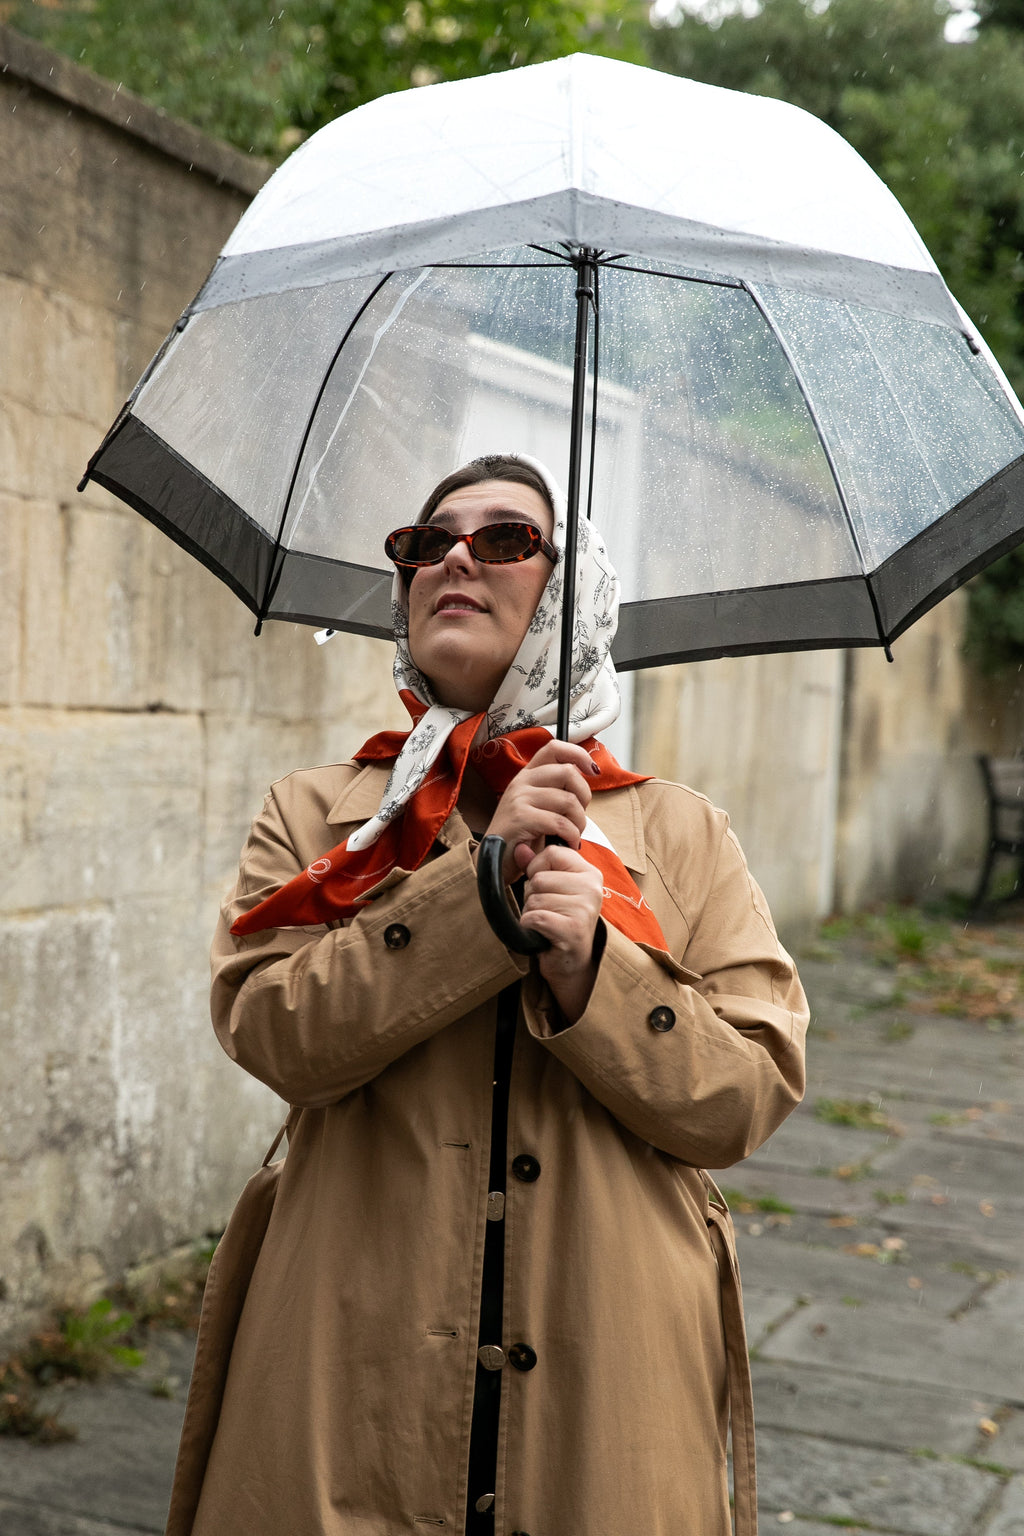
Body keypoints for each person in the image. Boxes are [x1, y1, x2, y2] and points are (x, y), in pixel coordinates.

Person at [167, 453, 808, 1536]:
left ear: (570, 597)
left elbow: (743, 1095)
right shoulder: (322, 818)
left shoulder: (677, 832)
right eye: (427, 544)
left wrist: (590, 972)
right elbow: (275, 1032)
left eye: (506, 540)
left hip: (609, 1394)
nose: (454, 558)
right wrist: (475, 889)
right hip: (346, 1371)